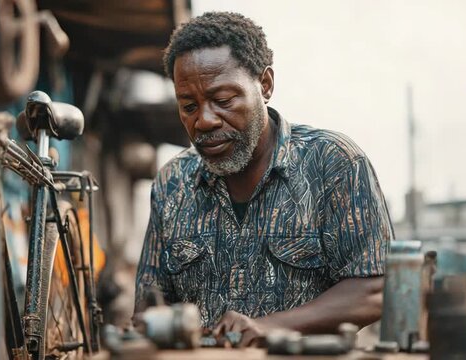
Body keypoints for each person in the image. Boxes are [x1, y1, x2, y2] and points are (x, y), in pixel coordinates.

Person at [135, 11, 393, 347]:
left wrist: (271, 327)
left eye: (223, 100)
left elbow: (378, 289)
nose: (204, 120)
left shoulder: (335, 164)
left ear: (265, 85)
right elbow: (148, 307)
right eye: (188, 106)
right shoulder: (172, 183)